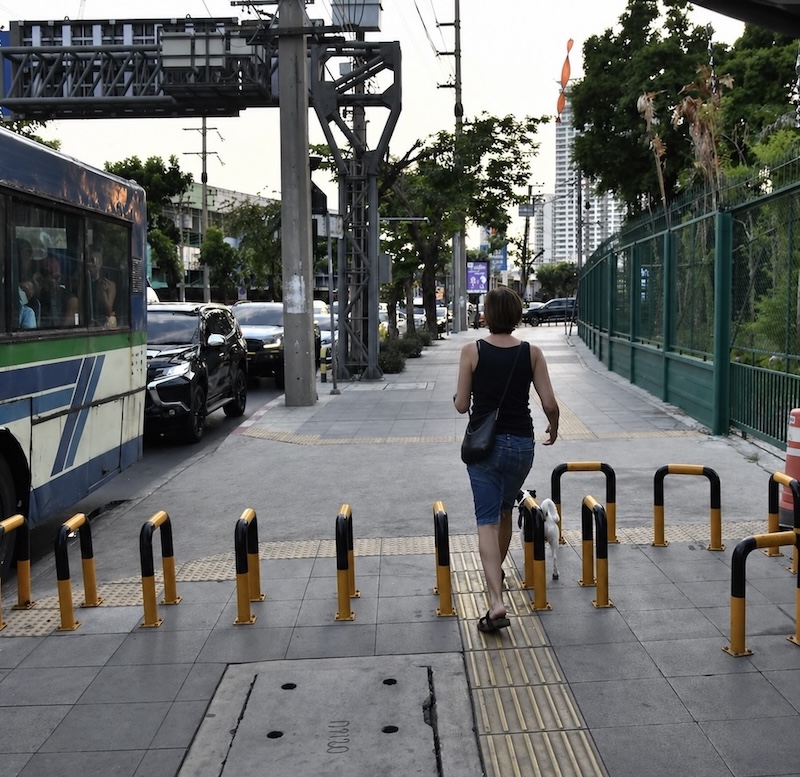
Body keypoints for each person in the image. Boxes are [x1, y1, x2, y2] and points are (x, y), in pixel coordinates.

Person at [453, 286, 560, 633]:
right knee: (502, 512)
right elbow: (549, 404)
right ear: (516, 315)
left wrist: (462, 393)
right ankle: (495, 574)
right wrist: (553, 428)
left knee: (486, 520)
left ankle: (496, 601)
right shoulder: (532, 353)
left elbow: (461, 405)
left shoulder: (472, 351)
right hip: (522, 448)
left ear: (487, 314)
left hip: (485, 448)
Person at [87, 245, 117, 326]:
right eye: (88, 260)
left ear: (99, 264)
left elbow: (108, 311)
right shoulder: (86, 283)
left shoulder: (109, 285)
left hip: (102, 324)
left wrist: (103, 293)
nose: (89, 264)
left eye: (92, 261)